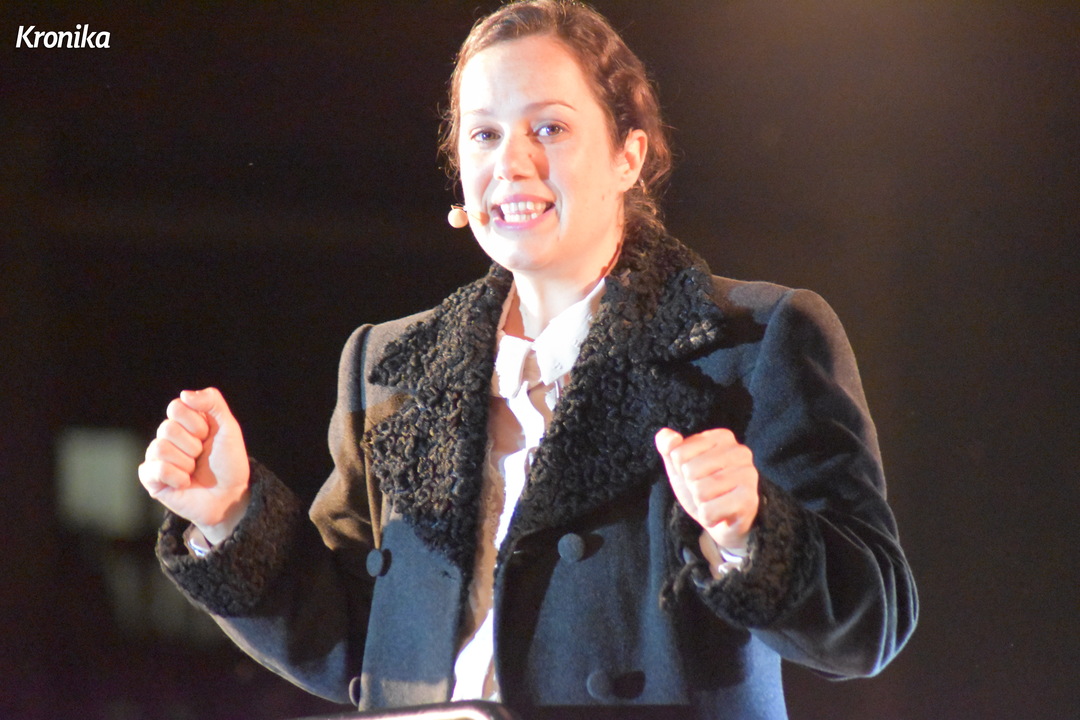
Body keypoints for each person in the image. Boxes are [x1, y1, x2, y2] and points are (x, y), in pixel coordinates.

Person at [139, 2, 917, 718]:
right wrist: (229, 515)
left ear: (627, 155)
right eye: (483, 134)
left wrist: (751, 532)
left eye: (548, 128)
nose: (510, 163)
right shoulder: (388, 367)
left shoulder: (753, 341)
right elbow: (356, 641)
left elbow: (871, 625)